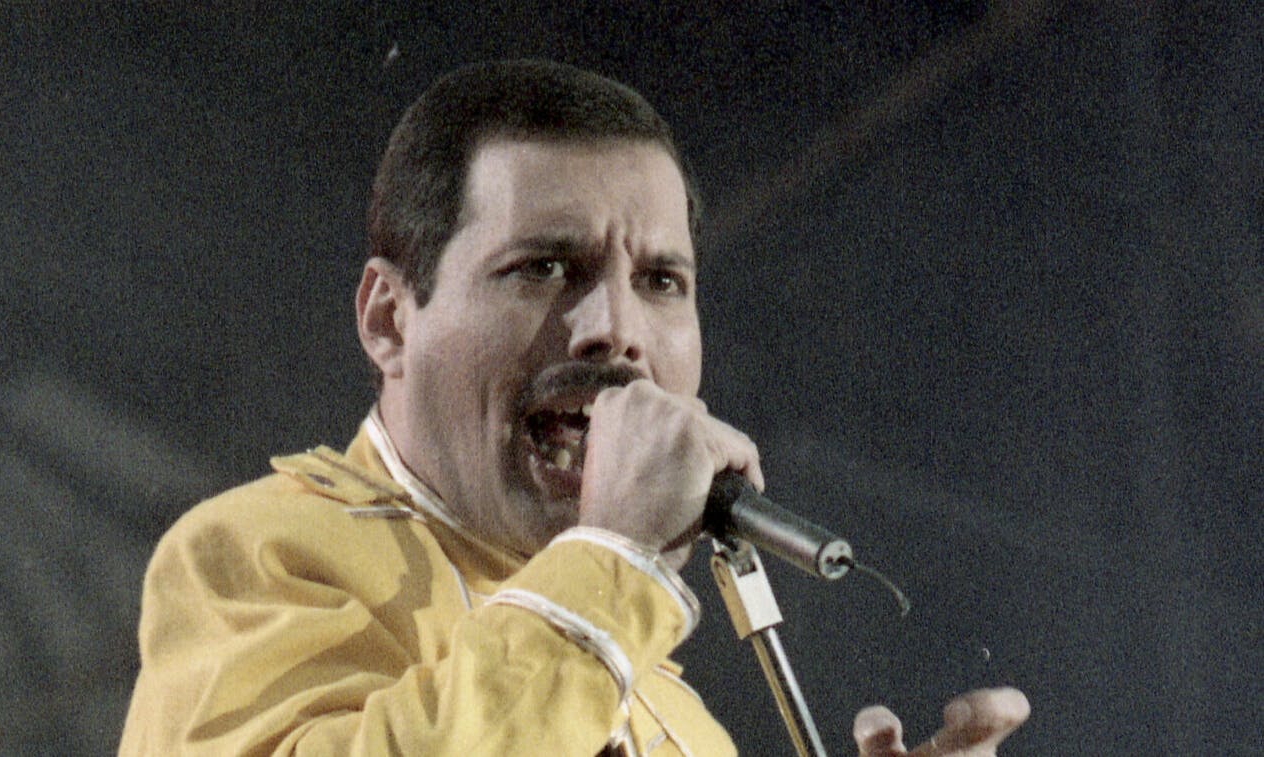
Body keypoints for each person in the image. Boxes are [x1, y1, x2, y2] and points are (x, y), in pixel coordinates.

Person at [118, 59, 1028, 756]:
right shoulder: (246, 558)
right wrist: (616, 566)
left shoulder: (670, 710)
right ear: (389, 320)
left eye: (662, 280)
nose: (617, 332)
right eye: (545, 268)